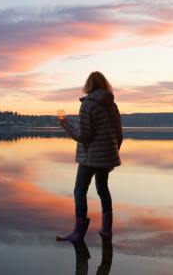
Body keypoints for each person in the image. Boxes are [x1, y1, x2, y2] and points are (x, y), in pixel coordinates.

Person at [56, 71, 123, 243]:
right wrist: (112, 156)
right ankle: (106, 231)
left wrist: (64, 123)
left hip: (90, 158)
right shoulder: (112, 105)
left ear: (89, 86)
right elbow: (119, 134)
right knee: (103, 189)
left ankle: (78, 234)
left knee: (80, 190)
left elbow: (83, 136)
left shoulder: (88, 105)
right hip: (106, 156)